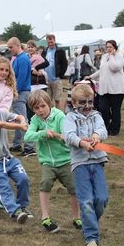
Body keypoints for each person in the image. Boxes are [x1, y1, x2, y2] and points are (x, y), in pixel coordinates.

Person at [24, 90, 81, 233]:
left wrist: (60, 136)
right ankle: (45, 217)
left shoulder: (60, 116)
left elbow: (67, 135)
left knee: (74, 188)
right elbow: (28, 136)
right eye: (36, 108)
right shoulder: (35, 120)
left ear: (49, 104)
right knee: (45, 184)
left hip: (65, 160)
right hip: (47, 162)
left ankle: (77, 217)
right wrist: (43, 133)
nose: (40, 110)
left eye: (43, 106)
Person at [62, 83, 108, 246]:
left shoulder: (96, 115)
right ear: (74, 103)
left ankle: (91, 221)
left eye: (89, 101)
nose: (87, 106)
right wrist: (81, 143)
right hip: (80, 164)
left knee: (101, 199)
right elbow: (68, 136)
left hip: (97, 162)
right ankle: (91, 237)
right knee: (86, 201)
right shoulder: (70, 118)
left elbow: (103, 130)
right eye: (82, 102)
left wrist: (96, 135)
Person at [0, 92, 33, 223]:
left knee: (23, 179)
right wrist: (20, 126)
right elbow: (3, 125)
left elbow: (18, 116)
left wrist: (22, 120)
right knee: (3, 187)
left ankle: (22, 206)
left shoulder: (2, 113)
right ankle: (15, 211)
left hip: (8, 159)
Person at [87, 40, 124, 136]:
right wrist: (91, 76)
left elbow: (114, 67)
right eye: (107, 47)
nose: (108, 49)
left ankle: (114, 130)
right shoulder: (104, 57)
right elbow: (102, 70)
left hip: (117, 89)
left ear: (114, 48)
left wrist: (112, 56)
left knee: (115, 110)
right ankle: (105, 127)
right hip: (105, 88)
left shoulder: (119, 57)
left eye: (110, 47)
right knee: (103, 108)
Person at [7, 37, 35, 157]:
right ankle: (17, 144)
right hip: (20, 91)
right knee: (18, 119)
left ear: (17, 46)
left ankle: (29, 147)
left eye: (10, 47)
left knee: (22, 120)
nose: (9, 49)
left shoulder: (22, 59)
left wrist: (14, 91)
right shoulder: (19, 58)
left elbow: (21, 79)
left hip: (21, 92)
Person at [44, 34, 68, 109]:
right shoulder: (45, 51)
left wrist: (60, 75)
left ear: (54, 40)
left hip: (56, 79)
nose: (50, 44)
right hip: (47, 79)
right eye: (48, 42)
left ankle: (58, 115)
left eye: (51, 42)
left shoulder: (60, 51)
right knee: (47, 100)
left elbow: (65, 63)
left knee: (57, 99)